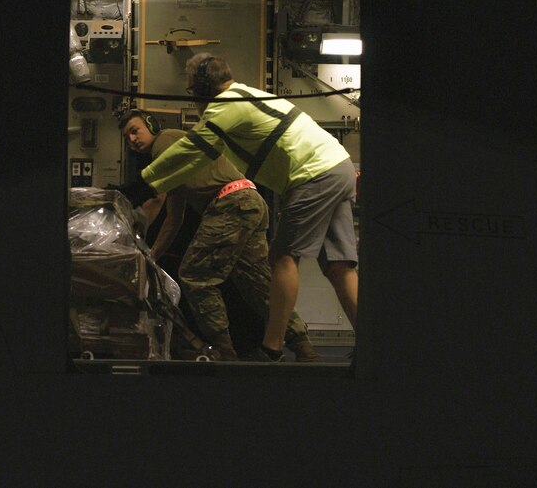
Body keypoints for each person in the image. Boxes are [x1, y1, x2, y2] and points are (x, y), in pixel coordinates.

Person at [117, 53, 358, 363]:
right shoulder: (246, 95)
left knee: (281, 257)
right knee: (339, 267)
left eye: (193, 91)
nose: (194, 100)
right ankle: (359, 343)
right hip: (338, 165)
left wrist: (140, 186)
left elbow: (193, 151)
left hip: (310, 174)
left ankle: (270, 350)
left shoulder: (225, 106)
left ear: (204, 87)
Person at [116, 108, 322, 362]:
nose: (132, 139)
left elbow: (156, 198)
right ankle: (304, 347)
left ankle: (225, 352)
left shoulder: (165, 142)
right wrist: (152, 255)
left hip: (229, 204)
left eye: (135, 131)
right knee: (258, 283)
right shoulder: (177, 152)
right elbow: (174, 217)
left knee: (195, 275)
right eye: (126, 137)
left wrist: (125, 225)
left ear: (151, 125)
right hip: (249, 202)